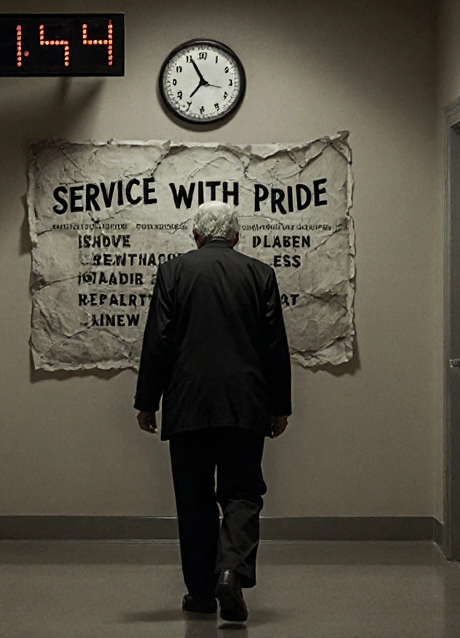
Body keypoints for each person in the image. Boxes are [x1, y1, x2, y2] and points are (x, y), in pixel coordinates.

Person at [133, 201, 292, 623]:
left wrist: (147, 400)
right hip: (246, 404)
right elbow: (274, 346)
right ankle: (231, 571)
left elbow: (158, 340)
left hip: (188, 404)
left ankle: (202, 594)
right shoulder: (260, 274)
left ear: (196, 236)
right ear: (236, 236)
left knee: (194, 499)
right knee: (242, 493)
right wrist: (280, 406)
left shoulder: (173, 272)